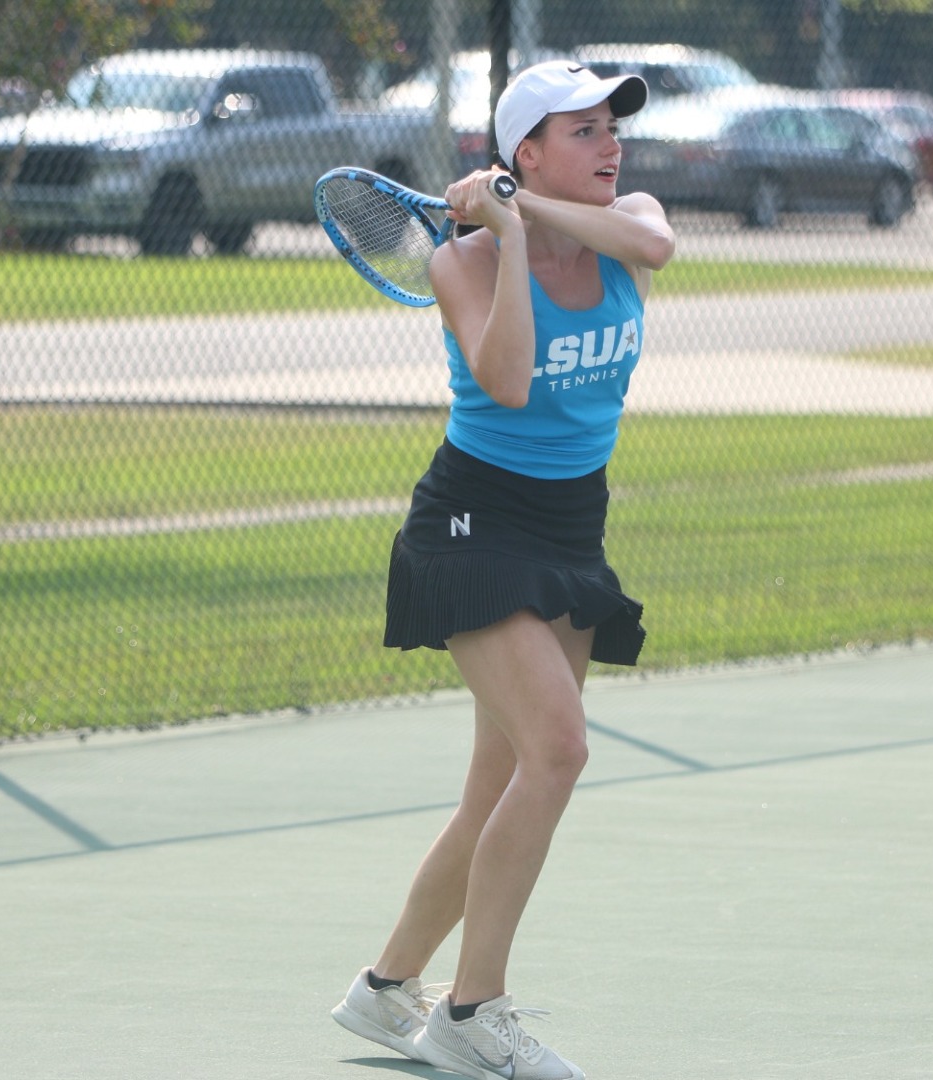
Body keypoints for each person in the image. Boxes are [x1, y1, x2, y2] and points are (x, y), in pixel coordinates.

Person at [330, 60, 673, 1080]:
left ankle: (385, 991)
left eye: (614, 125)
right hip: (472, 525)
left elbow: (656, 242)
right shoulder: (464, 264)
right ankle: (473, 1013)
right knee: (557, 753)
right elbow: (511, 382)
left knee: (498, 787)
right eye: (583, 130)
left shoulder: (633, 223)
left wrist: (531, 210)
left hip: (572, 528)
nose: (610, 143)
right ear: (526, 152)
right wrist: (514, 236)